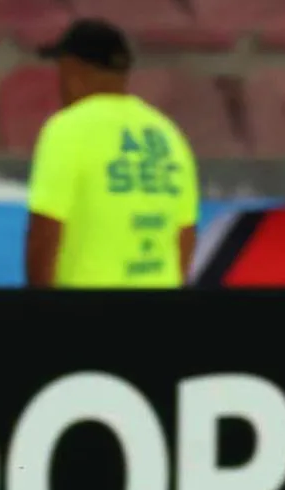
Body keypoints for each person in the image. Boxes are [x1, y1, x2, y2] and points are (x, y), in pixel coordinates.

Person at [24, 18, 199, 289]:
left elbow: (45, 232)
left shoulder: (66, 130)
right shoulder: (167, 134)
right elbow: (185, 235)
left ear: (72, 70)